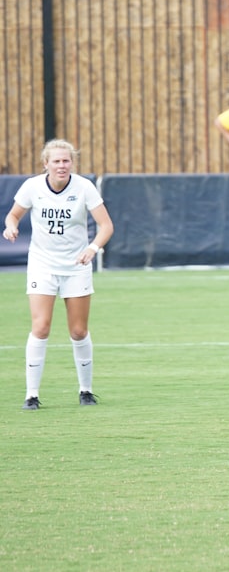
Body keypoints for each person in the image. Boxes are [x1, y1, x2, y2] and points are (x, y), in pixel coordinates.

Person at [3, 139, 114, 410]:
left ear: (72, 163)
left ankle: (86, 390)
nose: (62, 165)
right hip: (42, 264)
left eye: (66, 161)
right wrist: (11, 227)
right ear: (46, 164)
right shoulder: (32, 186)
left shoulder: (84, 187)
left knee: (78, 331)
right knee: (40, 327)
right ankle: (31, 394)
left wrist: (93, 248)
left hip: (76, 265)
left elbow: (106, 225)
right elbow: (13, 215)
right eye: (56, 161)